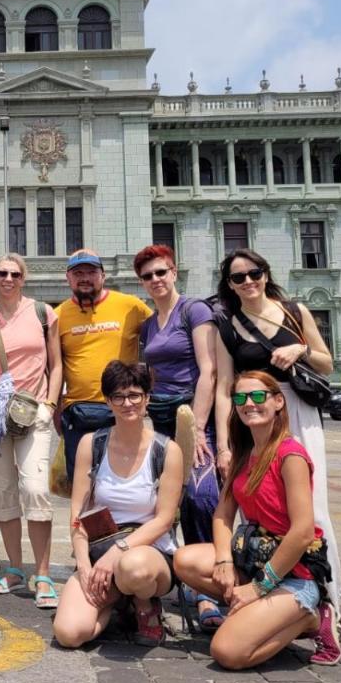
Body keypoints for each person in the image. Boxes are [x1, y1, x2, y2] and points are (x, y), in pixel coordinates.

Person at [173, 371, 341, 668]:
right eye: (240, 397)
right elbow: (223, 514)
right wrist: (224, 560)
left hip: (295, 573)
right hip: (254, 558)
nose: (249, 403)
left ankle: (310, 617)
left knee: (227, 652)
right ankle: (263, 614)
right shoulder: (244, 453)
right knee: (185, 560)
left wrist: (258, 588)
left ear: (278, 401)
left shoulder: (291, 456)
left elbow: (302, 532)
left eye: (258, 396)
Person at [212, 248, 341, 615]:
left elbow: (326, 363)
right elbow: (225, 385)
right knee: (256, 503)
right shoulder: (228, 324)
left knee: (310, 510)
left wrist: (299, 350)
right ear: (230, 285)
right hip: (251, 412)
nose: (248, 282)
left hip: (295, 407)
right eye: (238, 277)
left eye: (254, 273)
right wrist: (223, 444)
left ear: (266, 275)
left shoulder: (294, 312)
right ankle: (265, 588)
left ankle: (326, 600)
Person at [53, 361, 183, 648]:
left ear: (147, 398)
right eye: (119, 397)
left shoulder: (166, 451)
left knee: (133, 568)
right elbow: (77, 512)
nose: (128, 403)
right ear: (108, 402)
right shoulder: (92, 443)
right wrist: (85, 565)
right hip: (100, 548)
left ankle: (144, 604)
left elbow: (164, 519)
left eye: (135, 395)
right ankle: (114, 604)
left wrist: (119, 551)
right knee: (69, 633)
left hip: (147, 553)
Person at [133, 244, 221, 629]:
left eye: (161, 272)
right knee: (159, 499)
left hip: (192, 413)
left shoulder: (194, 310)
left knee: (202, 497)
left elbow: (209, 370)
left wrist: (198, 428)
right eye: (148, 276)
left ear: (175, 272)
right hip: (159, 415)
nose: (156, 280)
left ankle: (207, 589)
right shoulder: (150, 323)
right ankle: (163, 578)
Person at [0, 254, 62, 608]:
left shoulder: (41, 312)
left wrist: (50, 404)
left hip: (33, 411)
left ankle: (43, 573)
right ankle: (15, 568)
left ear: (24, 278)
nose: (8, 278)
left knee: (35, 488)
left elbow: (57, 363)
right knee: (2, 490)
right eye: (2, 273)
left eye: (15, 273)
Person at [55, 249, 152, 481]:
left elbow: (161, 341)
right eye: (78, 273)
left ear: (103, 276)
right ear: (68, 278)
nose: (85, 277)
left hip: (125, 408)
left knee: (127, 479)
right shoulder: (57, 315)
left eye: (91, 271)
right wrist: (55, 409)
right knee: (84, 484)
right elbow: (53, 367)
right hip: (79, 413)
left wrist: (149, 391)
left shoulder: (131, 306)